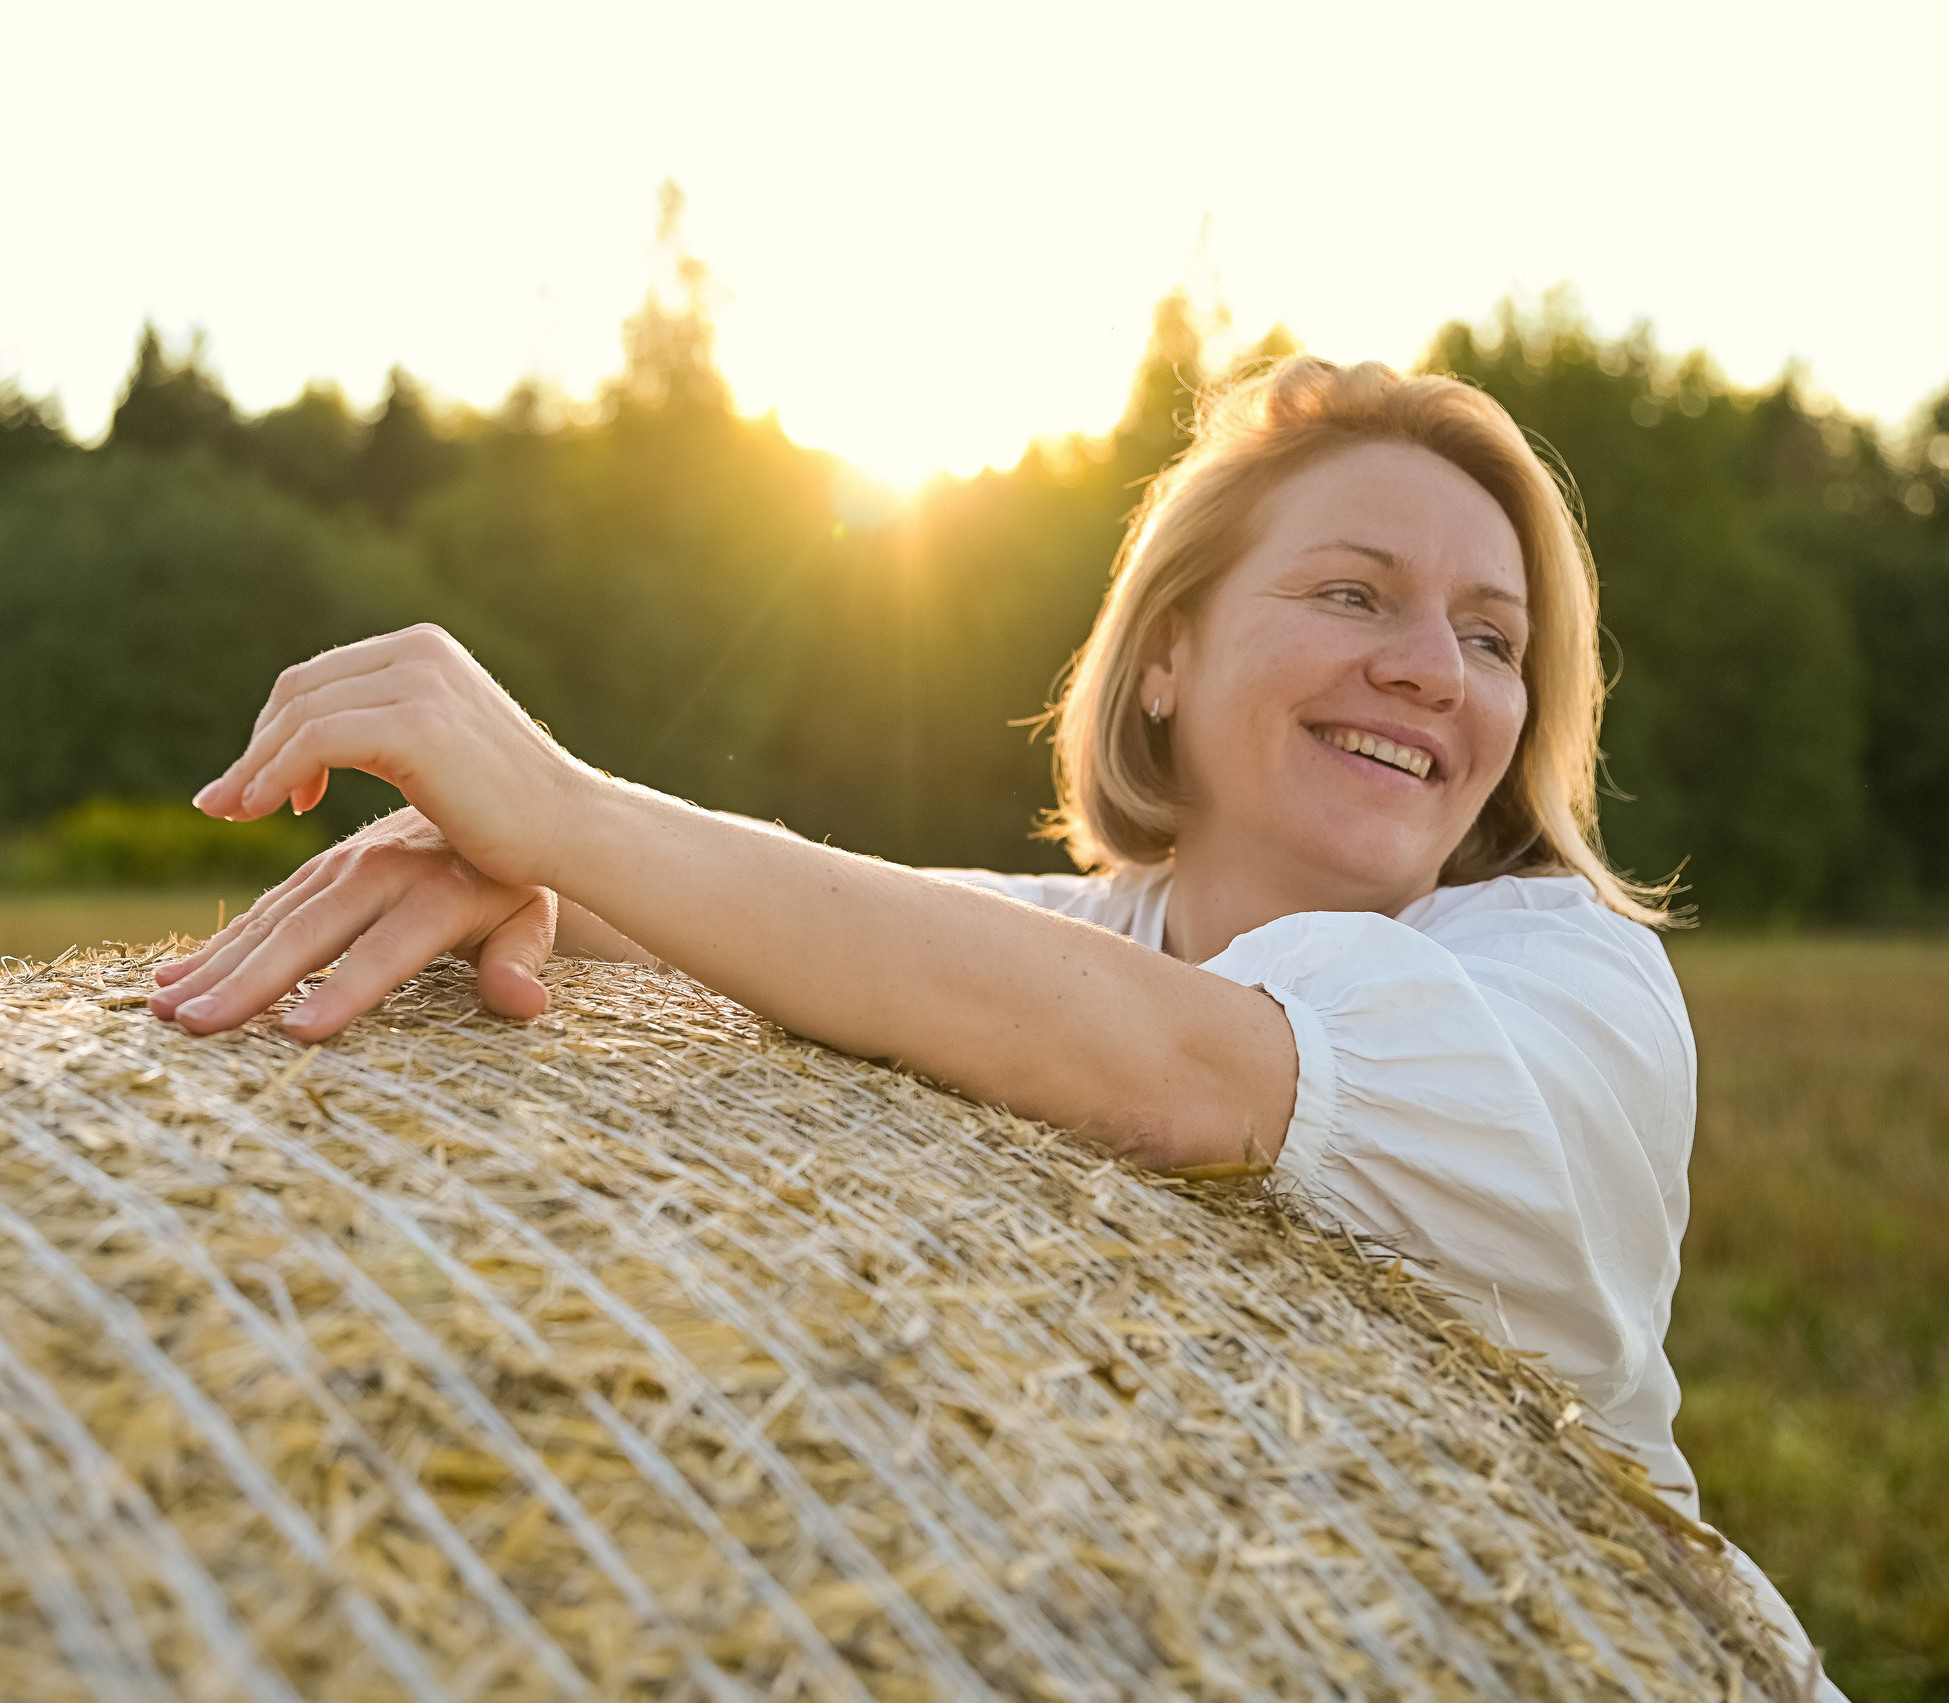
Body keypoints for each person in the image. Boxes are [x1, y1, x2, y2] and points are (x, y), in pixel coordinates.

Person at [150, 356, 1835, 1693]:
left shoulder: (1572, 983)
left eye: (1492, 638)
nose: (1433, 669)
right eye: (1352, 594)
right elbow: (829, 919)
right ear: (1164, 655)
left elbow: (1187, 1077)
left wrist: (564, 812)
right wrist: (496, 865)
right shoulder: (1093, 940)